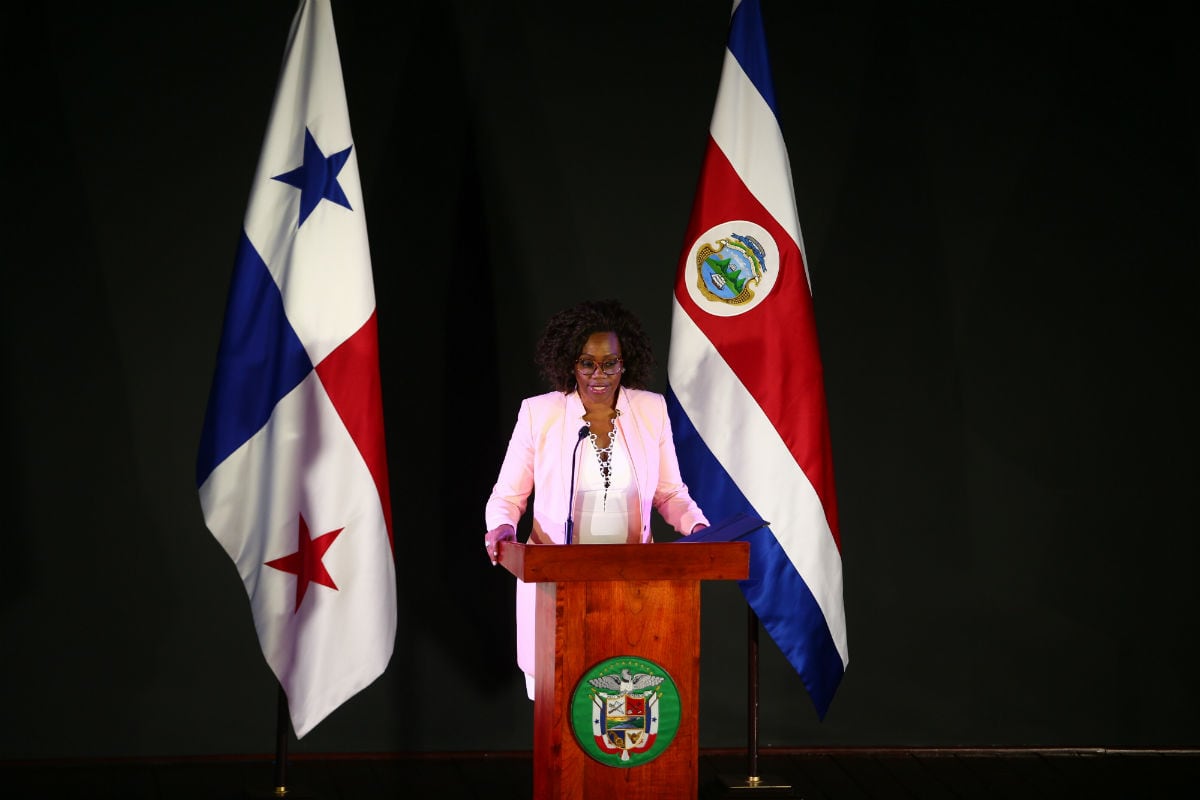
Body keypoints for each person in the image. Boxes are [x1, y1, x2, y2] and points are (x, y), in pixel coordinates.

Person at [484, 299, 709, 699]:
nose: (599, 375)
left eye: (611, 363)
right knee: (560, 705)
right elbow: (507, 496)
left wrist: (697, 525)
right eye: (587, 363)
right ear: (571, 364)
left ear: (626, 363)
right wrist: (501, 527)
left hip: (630, 585)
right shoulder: (540, 414)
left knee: (621, 696)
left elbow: (670, 492)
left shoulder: (651, 410)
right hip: (556, 582)